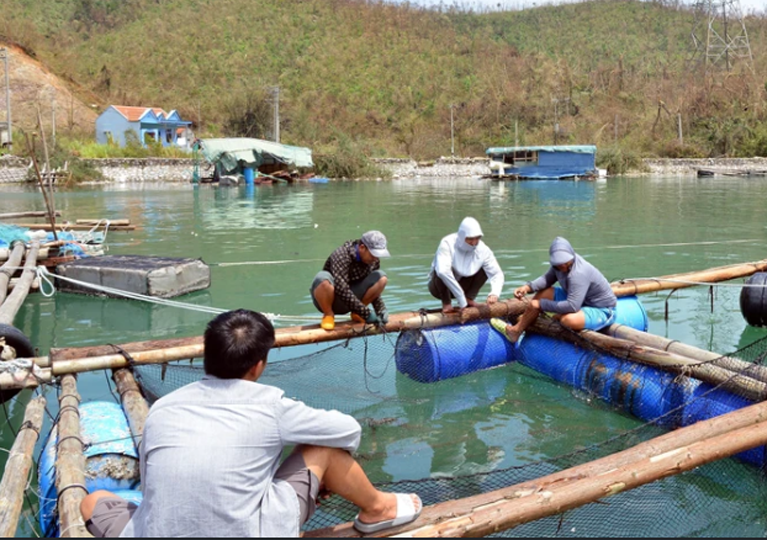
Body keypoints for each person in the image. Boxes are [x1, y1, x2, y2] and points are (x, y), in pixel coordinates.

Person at [79, 309, 422, 537]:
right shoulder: (270, 405)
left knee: (92, 502)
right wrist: (315, 478)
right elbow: (348, 430)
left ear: (206, 357)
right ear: (258, 365)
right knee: (322, 449)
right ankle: (379, 507)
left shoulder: (163, 409)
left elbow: (152, 484)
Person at [491, 236, 617, 342]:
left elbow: (573, 306)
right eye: (559, 263)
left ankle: (518, 329)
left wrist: (541, 305)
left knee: (567, 320)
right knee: (544, 293)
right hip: (579, 299)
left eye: (565, 262)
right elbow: (547, 279)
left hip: (601, 309)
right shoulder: (558, 267)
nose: (563, 265)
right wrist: (528, 287)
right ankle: (519, 330)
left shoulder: (579, 273)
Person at [311, 230, 391, 331]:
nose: (375, 258)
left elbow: (372, 287)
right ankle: (328, 315)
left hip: (354, 303)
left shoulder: (373, 261)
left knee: (381, 277)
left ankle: (357, 314)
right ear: (362, 247)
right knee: (322, 278)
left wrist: (380, 309)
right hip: (331, 299)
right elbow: (342, 289)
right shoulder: (341, 255)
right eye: (373, 254)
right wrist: (366, 313)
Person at [429, 217, 504, 316]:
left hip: (464, 287)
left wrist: (494, 293)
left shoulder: (483, 249)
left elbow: (497, 273)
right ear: (462, 236)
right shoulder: (447, 243)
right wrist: (461, 299)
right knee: (441, 270)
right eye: (470, 239)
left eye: (477, 238)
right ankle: (446, 303)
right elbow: (443, 272)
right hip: (439, 289)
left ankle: (469, 298)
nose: (474, 243)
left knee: (485, 268)